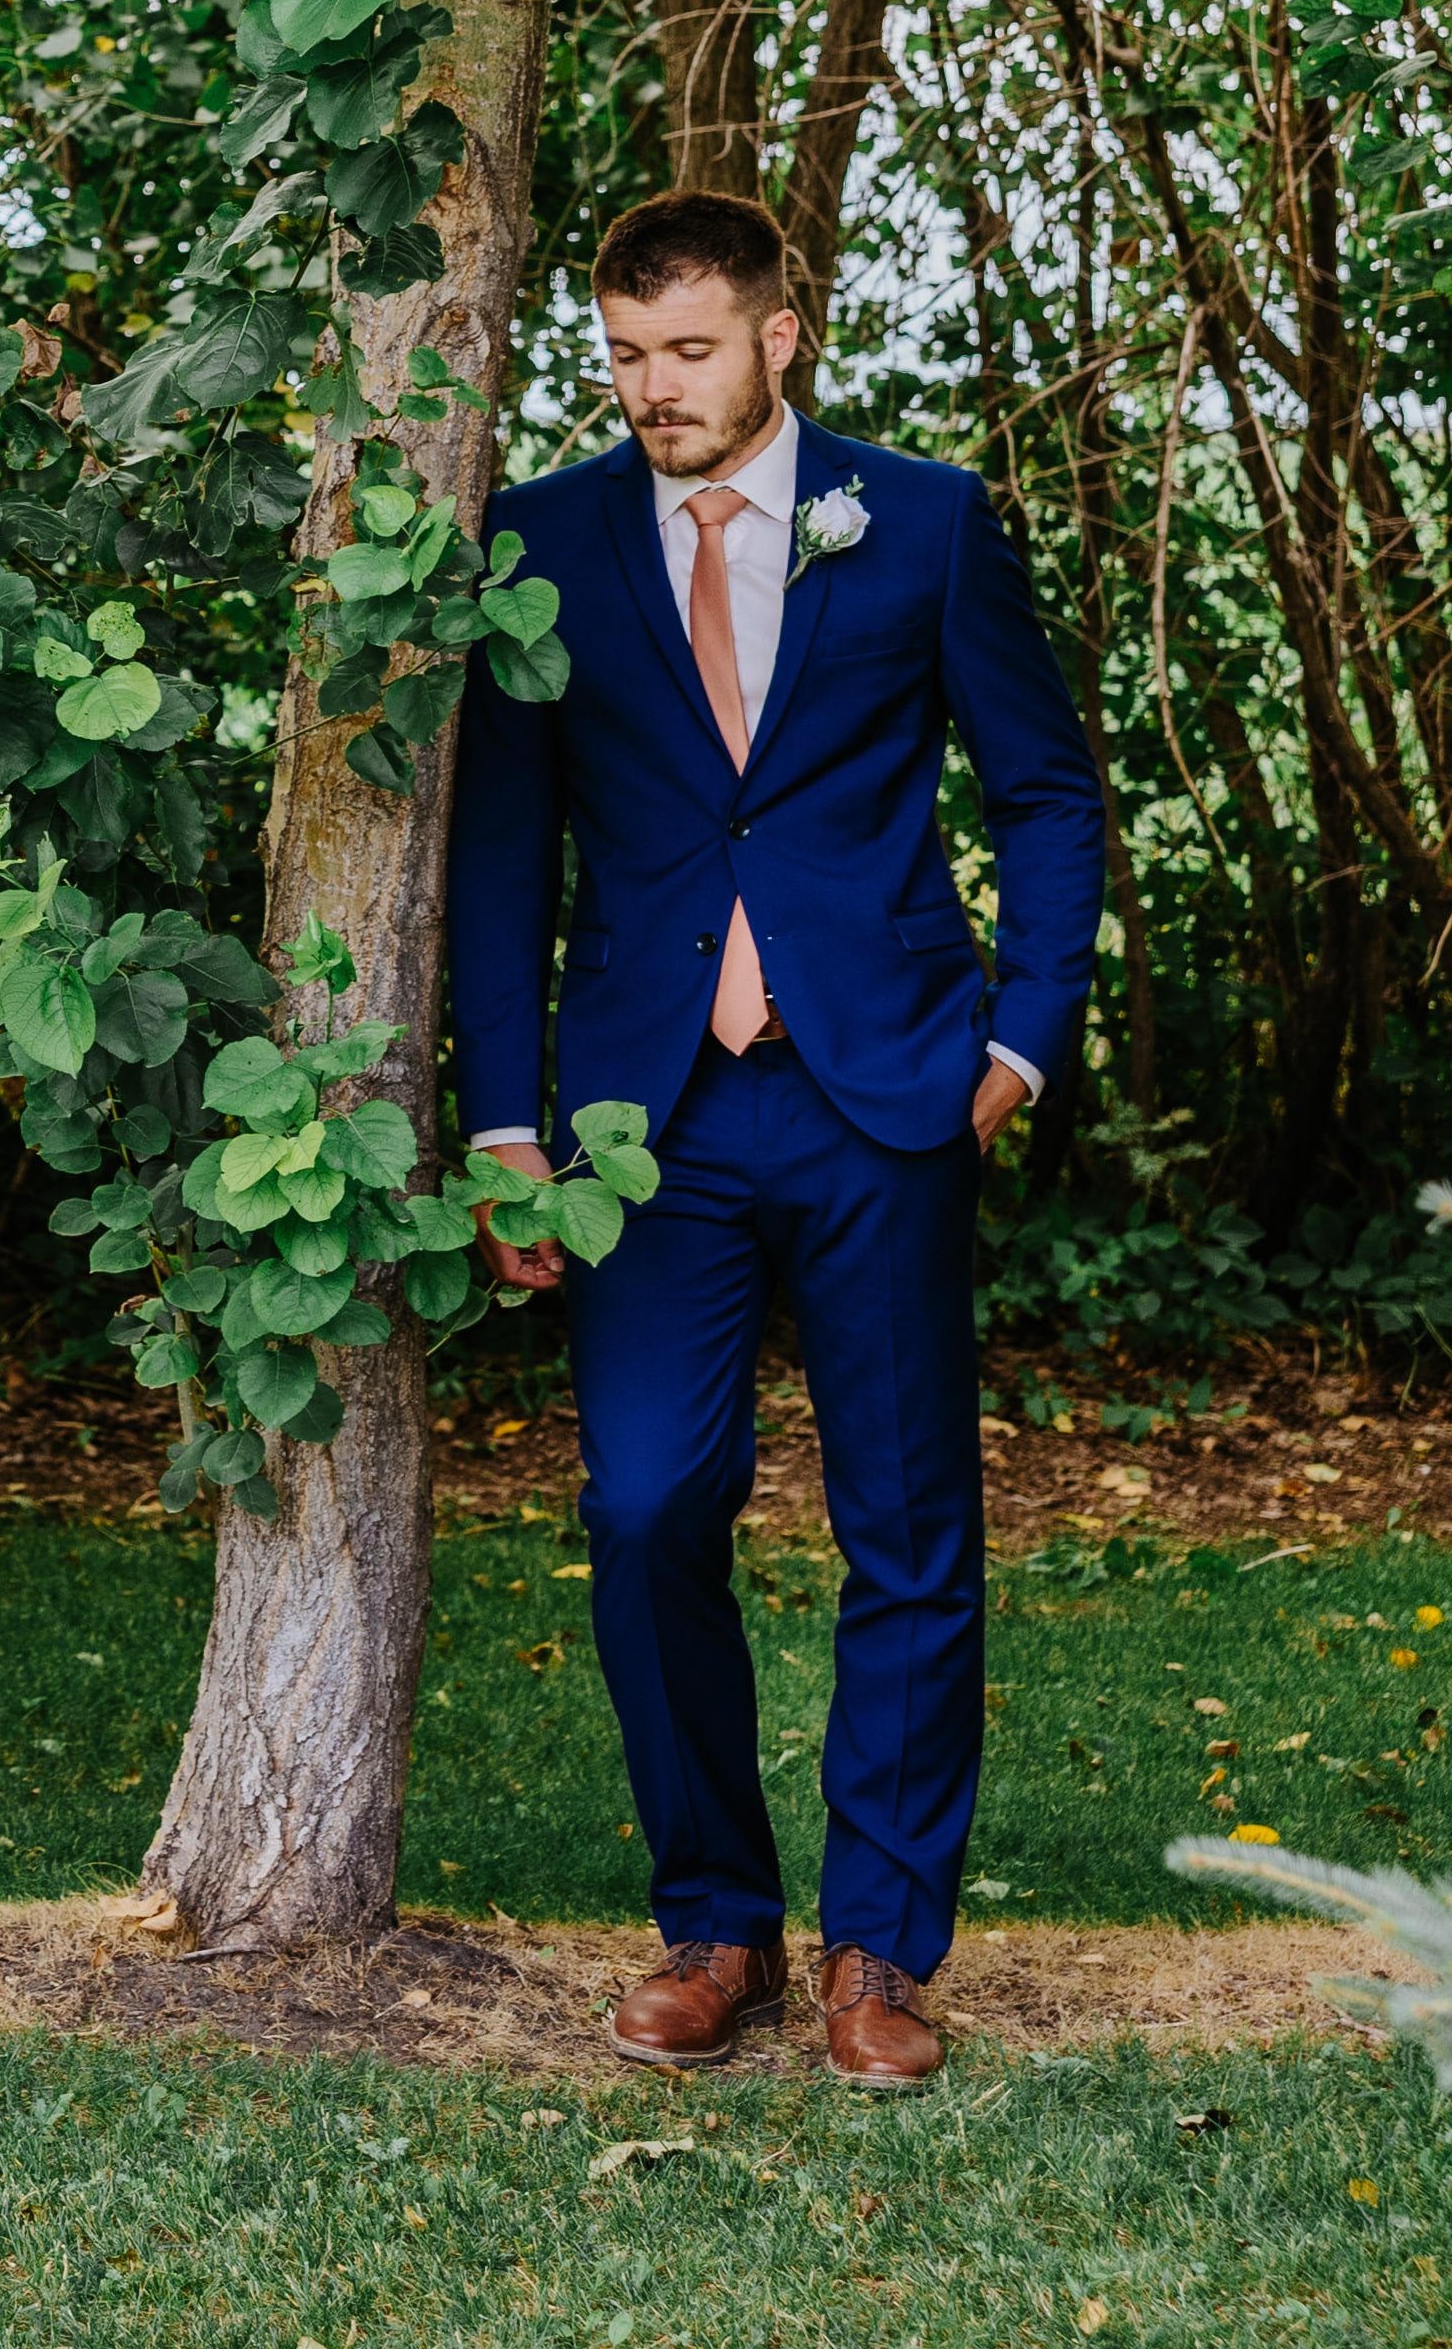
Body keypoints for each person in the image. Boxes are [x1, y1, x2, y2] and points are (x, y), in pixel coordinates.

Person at [450, 186, 1103, 2090]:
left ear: (778, 333)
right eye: (628, 355)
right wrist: (505, 1127)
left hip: (886, 1091)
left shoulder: (925, 522)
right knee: (646, 1506)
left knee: (910, 1526)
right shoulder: (544, 545)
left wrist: (1022, 1041)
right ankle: (715, 1919)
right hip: (646, 1116)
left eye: (692, 350)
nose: (656, 389)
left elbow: (1048, 795)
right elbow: (502, 851)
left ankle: (881, 1950)